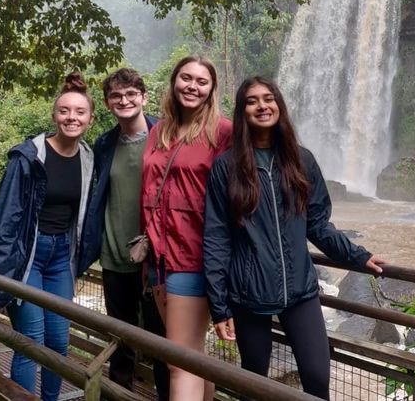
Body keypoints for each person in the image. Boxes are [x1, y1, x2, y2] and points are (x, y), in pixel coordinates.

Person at [203, 76, 385, 400]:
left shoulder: (301, 160)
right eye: (252, 100)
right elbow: (217, 238)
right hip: (249, 296)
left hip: (300, 292)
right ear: (243, 111)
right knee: (254, 383)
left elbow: (318, 224)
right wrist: (220, 307)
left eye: (269, 98)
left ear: (279, 106)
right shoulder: (226, 168)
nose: (262, 106)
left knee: (317, 379)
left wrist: (357, 256)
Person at [0, 72, 98, 401]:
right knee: (31, 339)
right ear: (54, 115)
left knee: (58, 341)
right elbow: (4, 217)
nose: (72, 117)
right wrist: (1, 273)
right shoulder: (28, 157)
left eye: (80, 112)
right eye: (65, 111)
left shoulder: (87, 158)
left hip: (61, 258)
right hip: (27, 254)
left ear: (90, 118)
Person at [142, 55, 232, 401]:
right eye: (186, 78)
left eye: (201, 81)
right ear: (174, 81)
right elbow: (147, 193)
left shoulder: (222, 132)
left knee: (179, 363)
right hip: (158, 257)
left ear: (211, 90)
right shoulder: (158, 131)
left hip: (195, 257)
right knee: (193, 357)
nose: (192, 86)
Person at [80, 68, 169, 400]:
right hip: (115, 255)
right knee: (120, 338)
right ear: (107, 103)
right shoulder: (105, 143)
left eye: (131, 94)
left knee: (161, 341)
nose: (124, 100)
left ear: (144, 98)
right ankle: (117, 395)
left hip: (157, 259)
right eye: (116, 96)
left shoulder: (165, 135)